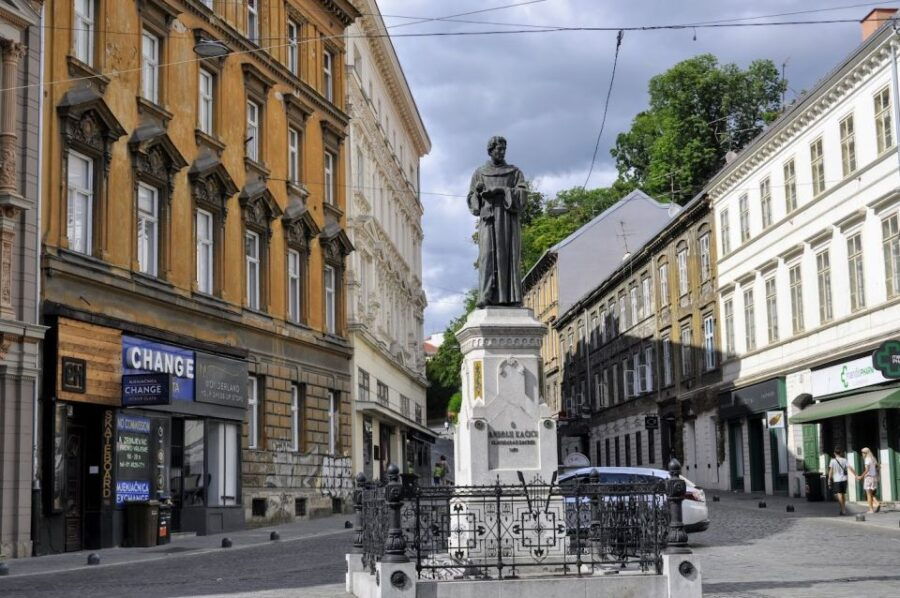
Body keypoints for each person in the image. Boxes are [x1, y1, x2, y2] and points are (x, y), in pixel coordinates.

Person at [466, 136, 528, 308]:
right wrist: (478, 193)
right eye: (498, 149)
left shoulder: (514, 172)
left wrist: (501, 190)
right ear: (490, 150)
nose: (501, 152)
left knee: (509, 257)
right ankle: (486, 295)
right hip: (488, 220)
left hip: (508, 221)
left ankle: (511, 298)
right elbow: (472, 201)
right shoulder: (480, 173)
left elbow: (522, 196)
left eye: (503, 149)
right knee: (487, 256)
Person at [827, 447, 850, 515]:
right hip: (844, 479)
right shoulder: (844, 460)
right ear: (841, 453)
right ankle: (843, 508)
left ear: (834, 453)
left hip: (837, 480)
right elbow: (849, 467)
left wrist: (829, 479)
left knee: (839, 494)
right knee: (843, 494)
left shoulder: (832, 461)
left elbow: (831, 471)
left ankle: (842, 509)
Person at [860, 447, 882, 513]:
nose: (862, 454)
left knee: (868, 495)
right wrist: (875, 473)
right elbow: (878, 467)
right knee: (871, 493)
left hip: (868, 478)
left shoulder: (867, 459)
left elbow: (867, 470)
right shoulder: (873, 458)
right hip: (874, 477)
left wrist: (861, 476)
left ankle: (871, 509)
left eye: (862, 453)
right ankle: (877, 503)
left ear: (865, 453)